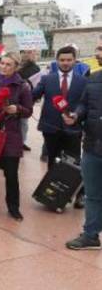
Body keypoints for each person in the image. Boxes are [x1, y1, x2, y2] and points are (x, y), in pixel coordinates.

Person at [0, 52, 33, 221]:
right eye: (2, 63)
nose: (4, 67)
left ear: (16, 67)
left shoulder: (22, 86)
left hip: (11, 136)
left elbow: (28, 110)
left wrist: (17, 110)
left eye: (9, 64)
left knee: (11, 175)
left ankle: (13, 208)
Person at [32, 46, 87, 209]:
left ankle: (78, 195)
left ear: (75, 61)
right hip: (51, 127)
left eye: (69, 60)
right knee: (53, 162)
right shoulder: (47, 79)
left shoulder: (83, 80)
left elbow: (84, 104)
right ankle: (52, 196)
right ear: (57, 61)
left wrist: (76, 115)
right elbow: (33, 95)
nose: (65, 63)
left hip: (73, 128)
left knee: (75, 165)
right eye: (62, 60)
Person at [64, 44, 102, 250]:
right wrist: (76, 115)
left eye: (101, 49)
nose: (97, 54)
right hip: (93, 148)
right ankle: (91, 234)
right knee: (93, 194)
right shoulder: (94, 79)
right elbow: (84, 105)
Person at [18, 49, 41, 151]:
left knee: (24, 123)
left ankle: (21, 142)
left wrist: (36, 97)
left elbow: (38, 83)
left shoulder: (35, 67)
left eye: (30, 52)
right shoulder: (16, 66)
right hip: (14, 98)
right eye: (25, 52)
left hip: (27, 99)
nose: (28, 54)